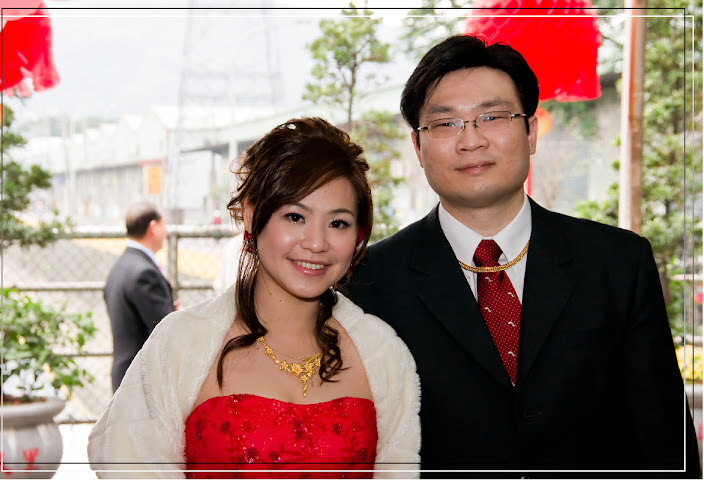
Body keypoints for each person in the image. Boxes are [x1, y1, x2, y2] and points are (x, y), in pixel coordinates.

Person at [349, 35, 700, 476]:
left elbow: (664, 440)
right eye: (445, 123)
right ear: (418, 148)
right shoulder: (369, 281)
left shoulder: (617, 263)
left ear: (531, 132)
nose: (471, 140)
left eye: (492, 117)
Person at [88, 117, 421, 479]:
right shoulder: (181, 344)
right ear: (251, 214)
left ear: (357, 235)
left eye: (338, 223)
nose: (316, 243)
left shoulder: (382, 354)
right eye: (295, 216)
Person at [103, 201, 179, 393]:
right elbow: (164, 330)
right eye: (164, 225)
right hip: (142, 384)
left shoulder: (121, 266)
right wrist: (177, 317)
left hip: (124, 377)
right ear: (153, 227)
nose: (166, 232)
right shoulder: (145, 273)